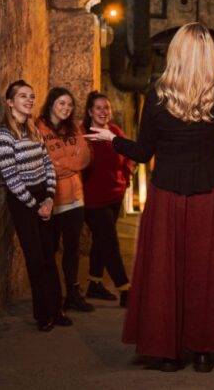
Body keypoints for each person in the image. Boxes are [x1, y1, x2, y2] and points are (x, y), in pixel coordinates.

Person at [85, 22, 214, 373]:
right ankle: (204, 352)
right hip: (209, 194)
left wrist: (111, 139)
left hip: (166, 194)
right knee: (208, 272)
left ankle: (168, 352)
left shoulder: (158, 93)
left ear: (175, 51)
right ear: (208, 55)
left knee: (165, 270)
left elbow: (143, 153)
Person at [0, 80, 71, 332]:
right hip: (23, 201)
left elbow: (48, 164)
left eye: (32, 96)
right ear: (10, 102)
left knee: (49, 255)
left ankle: (57, 309)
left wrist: (48, 197)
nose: (29, 100)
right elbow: (11, 178)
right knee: (35, 258)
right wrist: (35, 205)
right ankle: (43, 314)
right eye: (23, 96)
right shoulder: (3, 136)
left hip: (43, 197)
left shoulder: (34, 131)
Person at [36, 87, 94, 313]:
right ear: (51, 103)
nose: (66, 108)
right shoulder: (38, 128)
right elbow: (45, 162)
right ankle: (52, 298)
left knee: (72, 250)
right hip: (52, 199)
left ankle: (73, 295)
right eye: (61, 103)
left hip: (75, 199)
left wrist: (61, 164)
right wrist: (68, 162)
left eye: (69, 105)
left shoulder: (74, 128)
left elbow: (85, 157)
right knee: (49, 251)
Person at [81, 91, 133, 307]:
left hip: (115, 196)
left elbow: (126, 158)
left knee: (102, 240)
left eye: (106, 108)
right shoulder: (84, 135)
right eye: (99, 108)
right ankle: (125, 289)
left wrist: (125, 180)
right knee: (110, 241)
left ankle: (94, 282)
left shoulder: (114, 131)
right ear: (90, 112)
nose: (103, 111)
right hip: (93, 199)